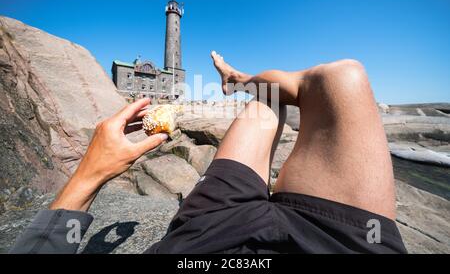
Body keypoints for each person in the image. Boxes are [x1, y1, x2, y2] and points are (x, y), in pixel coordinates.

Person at [9, 51, 407, 254]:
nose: (174, 13)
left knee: (278, 93)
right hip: (330, 241)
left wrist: (88, 175)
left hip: (203, 238)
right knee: (343, 77)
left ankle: (239, 79)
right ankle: (239, 79)